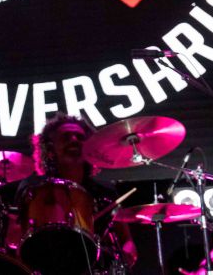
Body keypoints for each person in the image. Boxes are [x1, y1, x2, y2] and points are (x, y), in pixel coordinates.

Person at [16, 113, 138, 273]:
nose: (74, 140)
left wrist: (126, 255)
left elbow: (126, 241)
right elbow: (17, 237)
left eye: (80, 137)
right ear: (50, 149)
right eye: (66, 137)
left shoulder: (105, 191)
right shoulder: (34, 186)